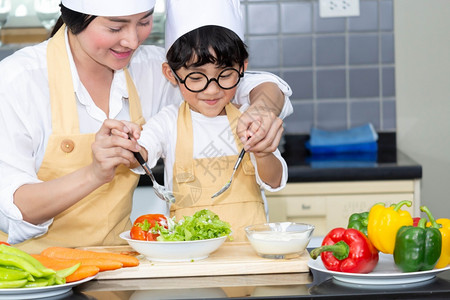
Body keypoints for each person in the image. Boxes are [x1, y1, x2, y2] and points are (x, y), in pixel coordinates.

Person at [0, 0, 292, 252]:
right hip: (34, 273)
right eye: (115, 27)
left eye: (144, 21)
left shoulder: (149, 68)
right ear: (75, 21)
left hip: (117, 270)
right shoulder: (18, 81)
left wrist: (263, 112)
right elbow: (16, 208)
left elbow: (247, 83)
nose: (132, 41)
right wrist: (94, 174)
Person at [120, 0, 288, 241]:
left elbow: (274, 181)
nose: (212, 90)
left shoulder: (250, 119)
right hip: (189, 256)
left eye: (226, 75)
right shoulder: (169, 121)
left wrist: (263, 153)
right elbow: (141, 155)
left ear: (243, 68)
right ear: (171, 74)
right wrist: (130, 143)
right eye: (196, 78)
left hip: (249, 255)